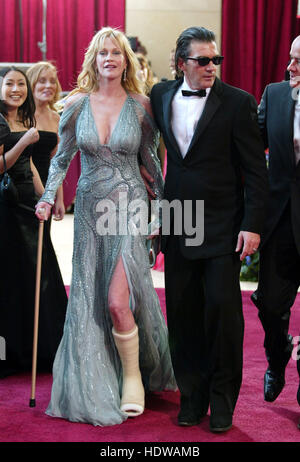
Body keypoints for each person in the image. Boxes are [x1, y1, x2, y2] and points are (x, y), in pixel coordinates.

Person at [35, 27, 176, 427]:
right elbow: (61, 158)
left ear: (126, 60)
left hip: (129, 207)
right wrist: (48, 196)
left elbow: (151, 162)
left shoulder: (141, 106)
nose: (110, 58)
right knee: (93, 297)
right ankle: (110, 372)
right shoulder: (76, 105)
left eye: (116, 52)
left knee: (118, 301)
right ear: (93, 60)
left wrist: (162, 212)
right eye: (103, 53)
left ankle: (133, 376)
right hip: (91, 210)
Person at [147, 26, 268, 432]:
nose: (211, 66)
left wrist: (252, 225)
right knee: (182, 315)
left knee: (222, 312)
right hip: (180, 221)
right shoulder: (161, 95)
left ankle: (222, 399)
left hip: (221, 224)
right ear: (182, 63)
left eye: (216, 59)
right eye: (203, 60)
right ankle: (192, 396)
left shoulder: (238, 103)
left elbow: (255, 171)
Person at [0, 66, 67, 378]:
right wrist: (25, 141)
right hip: (8, 201)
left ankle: (39, 347)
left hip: (32, 200)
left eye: (19, 84)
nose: (17, 89)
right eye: (10, 84)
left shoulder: (30, 119)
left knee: (38, 271)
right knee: (14, 273)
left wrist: (48, 196)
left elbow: (45, 164)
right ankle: (13, 350)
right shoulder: (6, 122)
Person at [250, 36, 300, 424]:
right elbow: (253, 148)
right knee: (269, 303)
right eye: (290, 59)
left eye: (298, 61)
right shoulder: (276, 94)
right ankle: (278, 354)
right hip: (280, 220)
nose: (290, 67)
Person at [26, 61, 65, 221]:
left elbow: (56, 161)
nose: (49, 85)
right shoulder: (21, 115)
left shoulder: (56, 118)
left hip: (47, 189)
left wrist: (59, 199)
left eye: (52, 81)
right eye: (42, 81)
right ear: (32, 83)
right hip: (24, 187)